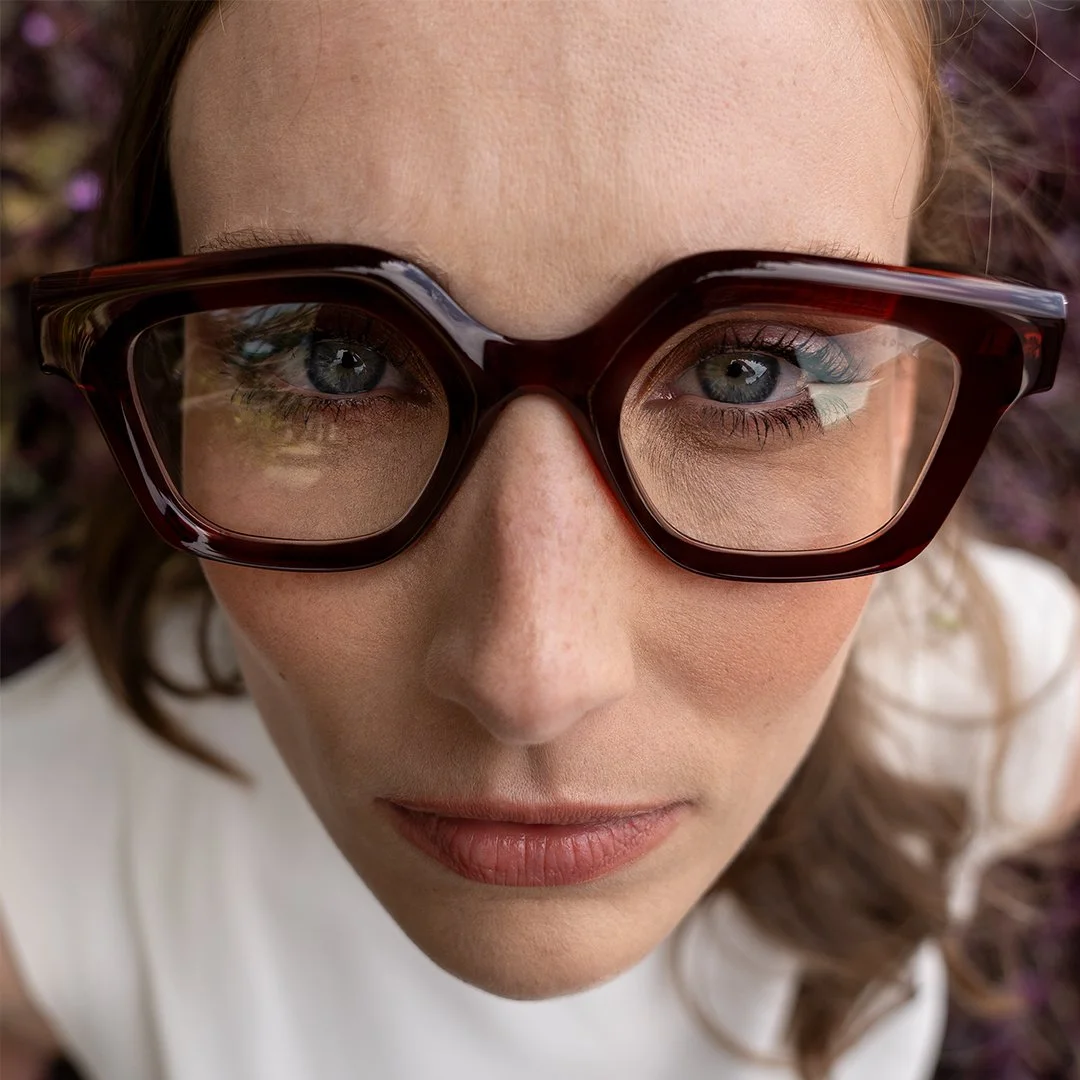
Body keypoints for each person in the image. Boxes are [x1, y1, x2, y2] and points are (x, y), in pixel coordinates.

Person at [1, 2, 1078, 1078]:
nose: (531, 681)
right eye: (333, 359)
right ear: (170, 387)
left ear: (902, 419)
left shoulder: (990, 691)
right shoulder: (37, 859)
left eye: (747, 373)